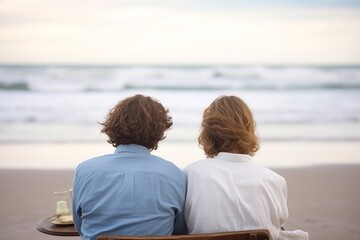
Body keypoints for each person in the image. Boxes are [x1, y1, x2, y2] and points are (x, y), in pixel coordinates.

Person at [184, 95, 308, 240]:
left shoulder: (191, 174)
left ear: (209, 132)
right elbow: (276, 223)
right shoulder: (275, 180)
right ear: (249, 129)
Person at [72, 94, 187, 240]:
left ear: (113, 125)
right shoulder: (174, 174)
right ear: (159, 131)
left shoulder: (85, 170)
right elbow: (178, 229)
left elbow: (81, 226)